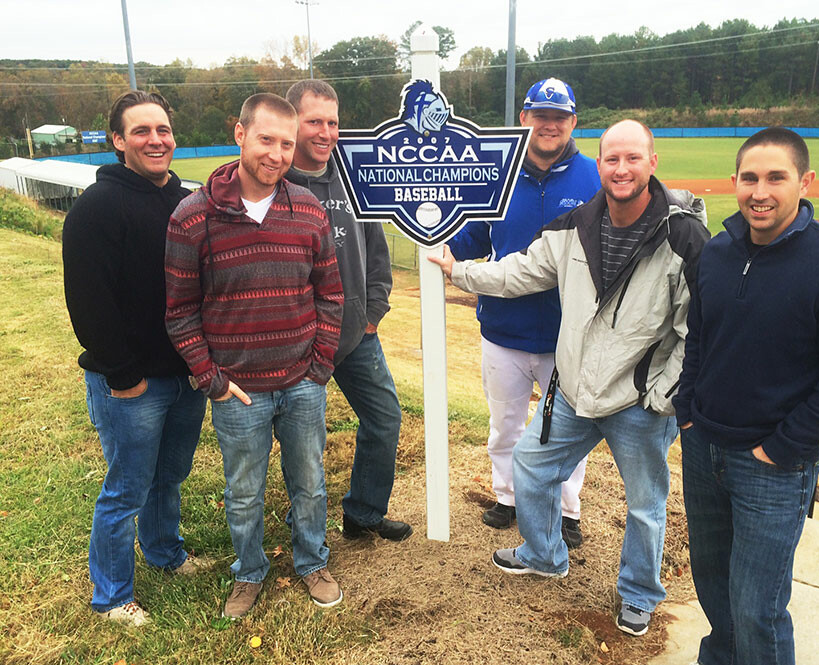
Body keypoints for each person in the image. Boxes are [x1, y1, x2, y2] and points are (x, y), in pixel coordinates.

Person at [430, 120, 709, 637]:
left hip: (637, 401)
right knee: (531, 466)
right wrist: (460, 271)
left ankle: (639, 594)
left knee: (646, 505)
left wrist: (664, 393)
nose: (621, 169)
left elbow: (697, 328)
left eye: (632, 158)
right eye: (611, 159)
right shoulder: (576, 224)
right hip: (577, 391)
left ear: (652, 163)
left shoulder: (683, 235)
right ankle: (543, 554)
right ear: (598, 165)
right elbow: (519, 271)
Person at [674, 127, 819, 665]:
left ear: (804, 182)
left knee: (756, 607)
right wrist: (687, 415)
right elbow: (699, 337)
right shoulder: (717, 253)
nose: (759, 191)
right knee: (715, 591)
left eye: (775, 178)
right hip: (704, 449)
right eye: (749, 178)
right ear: (734, 182)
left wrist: (780, 448)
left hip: (773, 466)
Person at [164, 93, 344, 618]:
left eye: (287, 144)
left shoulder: (307, 209)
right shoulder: (192, 216)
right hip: (238, 389)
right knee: (243, 491)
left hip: (302, 381)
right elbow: (180, 311)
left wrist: (320, 366)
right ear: (240, 134)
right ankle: (248, 572)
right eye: (266, 139)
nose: (277, 153)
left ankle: (313, 562)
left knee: (309, 481)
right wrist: (211, 379)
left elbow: (330, 292)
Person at [62, 91, 207, 627]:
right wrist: (122, 375)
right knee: (126, 488)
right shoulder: (96, 209)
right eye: (141, 131)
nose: (156, 140)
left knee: (168, 477)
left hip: (186, 373)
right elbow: (88, 299)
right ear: (119, 141)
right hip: (131, 381)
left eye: (163, 130)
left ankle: (166, 553)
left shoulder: (187, 201)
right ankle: (111, 595)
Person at [446, 78, 600, 546]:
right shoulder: (497, 173)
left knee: (569, 433)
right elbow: (470, 236)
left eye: (559, 117)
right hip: (502, 329)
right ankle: (507, 497)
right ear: (524, 120)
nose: (549, 125)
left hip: (568, 333)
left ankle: (568, 510)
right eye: (540, 116)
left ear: (572, 122)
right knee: (506, 426)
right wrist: (439, 247)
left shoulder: (593, 175)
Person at [284, 79, 411, 542]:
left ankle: (364, 513)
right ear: (292, 121)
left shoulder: (355, 175)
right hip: (299, 338)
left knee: (384, 418)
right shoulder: (275, 181)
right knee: (304, 441)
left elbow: (376, 249)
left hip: (356, 332)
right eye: (314, 121)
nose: (325, 132)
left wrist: (374, 309)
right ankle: (303, 521)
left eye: (333, 122)